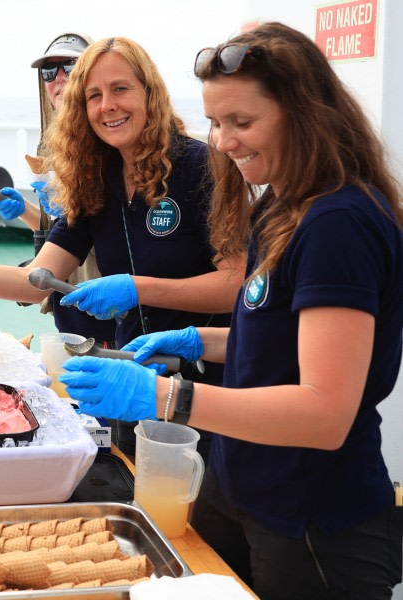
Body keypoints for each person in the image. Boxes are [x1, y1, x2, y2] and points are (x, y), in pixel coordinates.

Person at [58, 22, 403, 599]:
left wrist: (166, 397)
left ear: (308, 114)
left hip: (310, 518)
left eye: (242, 122)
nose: (221, 142)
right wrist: (196, 340)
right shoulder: (281, 209)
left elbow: (325, 412)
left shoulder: (339, 223)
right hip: (237, 485)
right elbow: (274, 342)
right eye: (216, 123)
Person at [0, 36, 244, 456]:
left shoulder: (200, 167)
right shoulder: (94, 178)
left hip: (209, 391)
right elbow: (37, 282)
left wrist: (137, 288)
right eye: (94, 95)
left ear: (150, 94)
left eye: (120, 89)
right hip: (133, 380)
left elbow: (237, 282)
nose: (108, 105)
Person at [0, 32, 118, 350]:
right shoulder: (55, 146)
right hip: (67, 303)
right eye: (48, 71)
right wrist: (28, 212)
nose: (58, 78)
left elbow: (102, 232)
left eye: (69, 67)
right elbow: (63, 230)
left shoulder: (108, 145)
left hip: (105, 308)